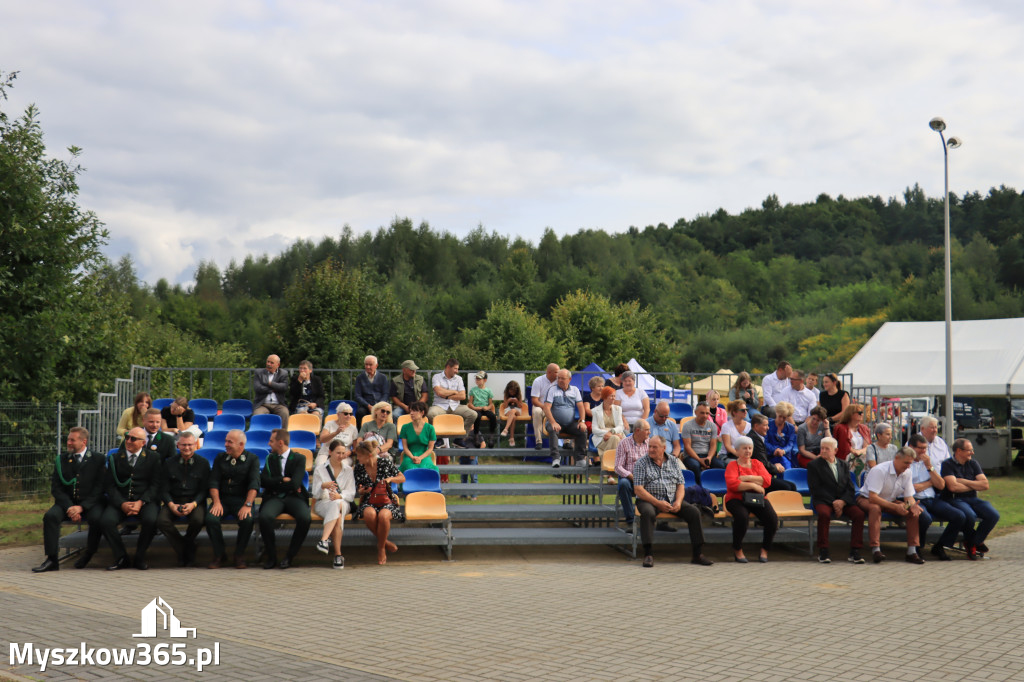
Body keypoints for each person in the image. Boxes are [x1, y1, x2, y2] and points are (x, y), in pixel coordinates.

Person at [33, 427, 106, 573]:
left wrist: (82, 507)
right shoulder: (62, 460)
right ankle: (52, 559)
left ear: (83, 441)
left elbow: (99, 488)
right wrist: (70, 507)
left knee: (97, 518)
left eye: (72, 440)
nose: (69, 443)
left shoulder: (98, 459)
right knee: (50, 516)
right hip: (67, 503)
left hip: (90, 503)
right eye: (68, 440)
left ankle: (89, 553)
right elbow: (56, 488)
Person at [634, 435, 713, 568]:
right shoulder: (641, 463)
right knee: (647, 513)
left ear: (664, 448)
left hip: (671, 498)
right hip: (649, 499)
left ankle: (698, 554)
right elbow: (638, 489)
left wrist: (678, 501)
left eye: (655, 447)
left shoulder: (673, 461)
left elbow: (680, 485)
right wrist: (657, 503)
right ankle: (648, 554)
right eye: (650, 446)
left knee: (694, 512)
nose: (651, 450)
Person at [101, 427, 163, 570]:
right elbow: (109, 485)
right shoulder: (115, 458)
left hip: (144, 501)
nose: (128, 441)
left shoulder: (153, 458)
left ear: (143, 443)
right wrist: (122, 503)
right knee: (106, 521)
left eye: (133, 439)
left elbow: (156, 484)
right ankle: (121, 557)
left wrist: (141, 502)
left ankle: (140, 556)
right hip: (121, 501)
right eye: (127, 437)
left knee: (151, 520)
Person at [856, 447, 924, 564]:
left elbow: (909, 497)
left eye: (910, 463)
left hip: (889, 500)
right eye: (906, 463)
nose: (908, 466)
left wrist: (912, 505)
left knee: (913, 512)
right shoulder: (880, 470)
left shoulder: (907, 472)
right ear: (896, 458)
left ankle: (912, 551)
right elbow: (873, 497)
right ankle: (876, 549)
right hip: (867, 499)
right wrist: (895, 507)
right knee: (875, 508)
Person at [806, 437, 866, 564]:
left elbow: (850, 487)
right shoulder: (813, 466)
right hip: (823, 500)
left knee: (859, 514)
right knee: (824, 514)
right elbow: (815, 489)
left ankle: (855, 550)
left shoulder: (843, 464)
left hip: (842, 500)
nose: (823, 451)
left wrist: (842, 502)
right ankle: (823, 550)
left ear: (835, 450)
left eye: (827, 449)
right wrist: (835, 503)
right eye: (822, 448)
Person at [257, 429, 311, 569]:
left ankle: (290, 556)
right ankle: (271, 556)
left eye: (271, 441)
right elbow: (263, 481)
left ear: (280, 443)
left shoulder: (299, 458)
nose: (269, 444)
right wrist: (282, 480)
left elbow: (295, 483)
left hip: (294, 497)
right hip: (274, 497)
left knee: (305, 518)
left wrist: (277, 483)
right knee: (265, 517)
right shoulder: (270, 458)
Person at [206, 429, 260, 569]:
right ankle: (219, 554)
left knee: (247, 519)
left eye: (230, 442)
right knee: (211, 519)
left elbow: (254, 484)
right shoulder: (220, 458)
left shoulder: (252, 459)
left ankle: (239, 555)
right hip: (222, 499)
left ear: (241, 445)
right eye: (226, 441)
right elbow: (214, 482)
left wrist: (248, 505)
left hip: (242, 500)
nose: (226, 444)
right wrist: (216, 502)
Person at [155, 432, 210, 567]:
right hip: (173, 501)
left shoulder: (203, 463)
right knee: (162, 521)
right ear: (178, 445)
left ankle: (183, 550)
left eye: (190, 445)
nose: (187, 448)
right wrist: (171, 504)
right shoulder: (169, 463)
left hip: (195, 502)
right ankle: (187, 548)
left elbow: (204, 490)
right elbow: (164, 489)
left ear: (195, 445)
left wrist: (194, 504)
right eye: (184, 445)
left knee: (198, 520)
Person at [941, 438, 1000, 560]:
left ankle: (973, 542)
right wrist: (974, 484)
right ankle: (973, 544)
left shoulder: (973, 464)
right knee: (969, 515)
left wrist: (964, 481)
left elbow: (985, 485)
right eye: (969, 450)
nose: (972, 453)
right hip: (955, 499)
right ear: (959, 451)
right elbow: (953, 487)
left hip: (973, 499)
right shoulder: (947, 464)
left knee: (993, 515)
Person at [907, 433, 963, 562]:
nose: (923, 452)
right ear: (911, 447)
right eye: (920, 448)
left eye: (925, 448)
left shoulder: (928, 462)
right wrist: (929, 483)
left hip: (932, 499)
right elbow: (911, 488)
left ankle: (940, 546)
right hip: (914, 499)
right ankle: (917, 549)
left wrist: (929, 467)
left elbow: (941, 485)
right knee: (925, 518)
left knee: (959, 516)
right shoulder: (906, 463)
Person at [724, 436, 778, 563]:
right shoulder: (732, 465)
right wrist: (754, 485)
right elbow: (733, 484)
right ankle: (737, 549)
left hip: (756, 498)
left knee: (772, 519)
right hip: (736, 499)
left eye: (750, 448)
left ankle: (765, 549)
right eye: (744, 448)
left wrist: (745, 478)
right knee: (742, 517)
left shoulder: (757, 463)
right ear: (737, 451)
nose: (747, 451)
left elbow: (767, 481)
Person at [354, 441, 406, 565]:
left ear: (369, 456)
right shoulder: (359, 468)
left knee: (383, 516)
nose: (358, 458)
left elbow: (402, 478)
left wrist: (390, 479)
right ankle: (385, 542)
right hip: (368, 499)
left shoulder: (385, 462)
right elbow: (359, 489)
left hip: (386, 498)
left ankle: (381, 547)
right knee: (369, 514)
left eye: (360, 456)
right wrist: (362, 490)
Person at [310, 439, 356, 569]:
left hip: (343, 503)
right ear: (330, 452)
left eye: (343, 453)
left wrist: (339, 496)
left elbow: (351, 494)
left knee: (338, 503)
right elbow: (315, 494)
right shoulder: (320, 469)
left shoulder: (348, 470)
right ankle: (338, 555)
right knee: (338, 514)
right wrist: (323, 486)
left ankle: (324, 540)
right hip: (323, 503)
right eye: (338, 453)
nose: (341, 456)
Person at [542, 369, 588, 468]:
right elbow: (546, 408)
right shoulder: (552, 389)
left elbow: (581, 406)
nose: (560, 380)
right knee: (553, 429)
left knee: (582, 430)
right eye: (559, 378)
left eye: (563, 378)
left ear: (569, 379)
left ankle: (580, 459)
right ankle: (556, 458)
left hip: (570, 424)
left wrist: (582, 421)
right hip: (555, 422)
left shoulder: (575, 390)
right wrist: (553, 422)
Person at [428, 358, 477, 448]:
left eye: (457, 369)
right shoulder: (436, 377)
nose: (457, 371)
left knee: (473, 414)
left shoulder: (459, 379)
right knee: (430, 414)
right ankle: (439, 439)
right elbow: (439, 392)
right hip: (440, 406)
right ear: (448, 367)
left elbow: (462, 396)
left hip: (455, 406)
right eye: (455, 369)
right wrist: (454, 392)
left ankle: (460, 439)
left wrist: (446, 395)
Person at [750, 414, 797, 492]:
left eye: (768, 425)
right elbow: (762, 463)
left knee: (791, 486)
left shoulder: (757, 438)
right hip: (758, 478)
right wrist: (776, 468)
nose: (768, 428)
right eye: (765, 425)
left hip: (763, 474)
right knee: (788, 487)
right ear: (756, 426)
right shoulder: (754, 440)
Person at [615, 420, 649, 527]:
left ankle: (657, 519)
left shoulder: (650, 443)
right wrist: (631, 476)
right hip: (630, 478)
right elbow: (618, 467)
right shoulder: (624, 443)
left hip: (646, 478)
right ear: (638, 431)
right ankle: (630, 519)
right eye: (647, 430)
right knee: (623, 484)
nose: (649, 432)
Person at [316, 402, 358, 469]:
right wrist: (336, 432)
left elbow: (355, 448)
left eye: (351, 414)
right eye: (346, 414)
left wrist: (349, 452)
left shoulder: (353, 429)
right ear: (338, 414)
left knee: (341, 467)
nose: (349, 416)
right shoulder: (329, 424)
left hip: (343, 455)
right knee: (320, 467)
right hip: (326, 453)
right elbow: (322, 439)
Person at [682, 401, 721, 472]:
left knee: (720, 465)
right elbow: (687, 447)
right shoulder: (687, 425)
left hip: (707, 455)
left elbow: (713, 445)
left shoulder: (712, 426)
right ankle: (699, 483)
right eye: (702, 413)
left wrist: (709, 457)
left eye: (707, 413)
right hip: (691, 456)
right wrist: (699, 460)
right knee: (695, 466)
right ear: (695, 412)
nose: (705, 415)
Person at [399, 401, 438, 473]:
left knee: (425, 467)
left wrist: (420, 458)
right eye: (410, 411)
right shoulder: (405, 427)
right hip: (409, 455)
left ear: (422, 413)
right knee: (409, 467)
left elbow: (430, 448)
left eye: (414, 411)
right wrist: (412, 457)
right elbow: (405, 447)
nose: (411, 413)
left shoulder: (430, 428)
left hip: (424, 455)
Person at [833, 404, 871, 477]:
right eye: (859, 413)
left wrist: (859, 452)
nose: (862, 414)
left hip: (862, 456)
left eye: (862, 412)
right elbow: (845, 447)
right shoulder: (841, 428)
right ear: (851, 414)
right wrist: (856, 453)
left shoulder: (864, 428)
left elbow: (868, 446)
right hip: (848, 458)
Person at [530, 363, 559, 451]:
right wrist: (546, 408)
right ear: (549, 372)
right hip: (541, 406)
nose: (559, 374)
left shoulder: (560, 381)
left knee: (565, 411)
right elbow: (534, 400)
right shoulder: (538, 381)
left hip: (555, 407)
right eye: (557, 372)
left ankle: (567, 442)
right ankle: (539, 441)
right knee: (537, 412)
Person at [593, 386, 628, 459]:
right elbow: (594, 429)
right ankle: (615, 465)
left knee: (614, 438)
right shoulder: (595, 411)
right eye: (611, 396)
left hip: (617, 434)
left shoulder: (618, 409)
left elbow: (620, 426)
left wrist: (612, 432)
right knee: (615, 439)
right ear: (605, 397)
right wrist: (607, 433)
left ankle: (607, 464)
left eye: (614, 396)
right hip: (602, 438)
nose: (613, 398)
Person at [252, 354, 289, 420]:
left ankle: (283, 430)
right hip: (262, 404)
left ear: (278, 365)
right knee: (257, 415)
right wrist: (272, 390)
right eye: (268, 362)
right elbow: (257, 388)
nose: (268, 364)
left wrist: (270, 383)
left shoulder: (283, 373)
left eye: (272, 363)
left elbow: (284, 387)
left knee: (285, 413)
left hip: (278, 404)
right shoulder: (259, 372)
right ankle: (259, 430)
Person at [354, 355, 389, 423]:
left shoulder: (383, 377)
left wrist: (379, 406)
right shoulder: (360, 378)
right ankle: (360, 432)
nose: (368, 367)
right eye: (366, 364)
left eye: (370, 365)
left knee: (388, 413)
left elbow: (386, 394)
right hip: (366, 405)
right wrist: (368, 405)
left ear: (376, 365)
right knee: (360, 413)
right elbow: (357, 395)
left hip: (380, 404)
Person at [764, 401, 797, 470]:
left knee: (785, 464)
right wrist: (775, 450)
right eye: (780, 416)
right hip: (770, 455)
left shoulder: (790, 428)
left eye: (784, 417)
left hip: (784, 455)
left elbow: (790, 444)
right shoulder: (768, 424)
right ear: (776, 413)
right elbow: (765, 441)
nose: (781, 419)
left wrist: (783, 451)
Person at [468, 371, 496, 446]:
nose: (477, 380)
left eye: (479, 379)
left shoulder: (488, 390)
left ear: (485, 380)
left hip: (485, 409)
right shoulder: (473, 390)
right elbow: (470, 403)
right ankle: (476, 437)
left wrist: (487, 407)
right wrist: (474, 407)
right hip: (477, 409)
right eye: (476, 379)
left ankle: (491, 437)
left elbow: (491, 404)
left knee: (493, 416)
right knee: (477, 416)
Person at [498, 380, 525, 446]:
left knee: (513, 411)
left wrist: (516, 402)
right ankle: (511, 438)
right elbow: (505, 406)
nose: (512, 393)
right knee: (513, 417)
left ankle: (506, 429)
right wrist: (508, 401)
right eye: (511, 391)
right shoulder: (506, 394)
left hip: (517, 410)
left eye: (514, 392)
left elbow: (520, 406)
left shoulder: (519, 394)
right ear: (508, 389)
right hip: (508, 410)